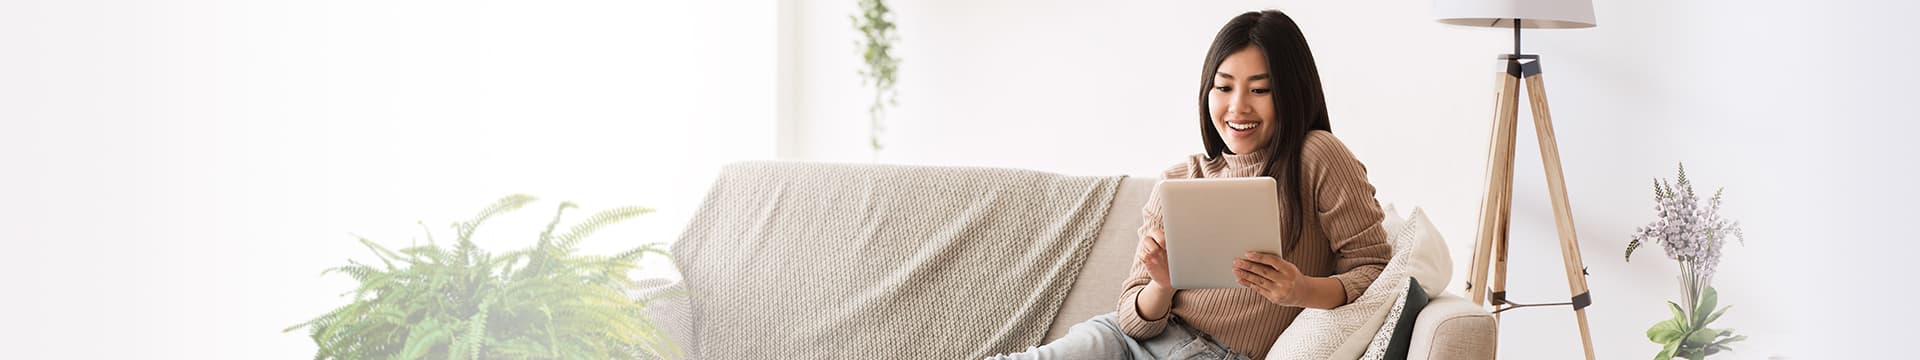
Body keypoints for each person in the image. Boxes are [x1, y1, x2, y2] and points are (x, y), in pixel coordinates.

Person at [987, 9, 1392, 360]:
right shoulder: (1181, 179)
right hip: (1123, 341)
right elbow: (1132, 319)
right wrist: (1163, 283)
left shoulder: (1317, 155)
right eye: (1224, 87)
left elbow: (1374, 268)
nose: (1238, 107)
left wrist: (1301, 290)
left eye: (1260, 89)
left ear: (1291, 91)